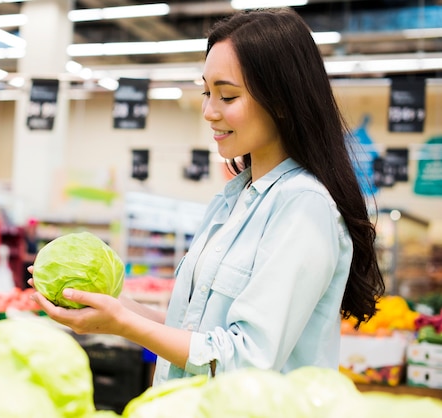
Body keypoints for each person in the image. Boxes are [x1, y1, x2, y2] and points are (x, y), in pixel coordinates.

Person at [30, 7, 385, 386]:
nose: (208, 111)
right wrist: (116, 311)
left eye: (227, 96)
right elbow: (194, 336)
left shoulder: (304, 206)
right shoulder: (231, 201)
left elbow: (247, 358)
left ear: (282, 102)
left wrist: (125, 324)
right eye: (206, 91)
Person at [21, 217, 39, 288]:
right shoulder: (24, 239)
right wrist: (36, 257)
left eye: (34, 227)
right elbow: (23, 256)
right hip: (26, 270)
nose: (33, 229)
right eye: (31, 227)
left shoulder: (35, 239)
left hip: (33, 269)